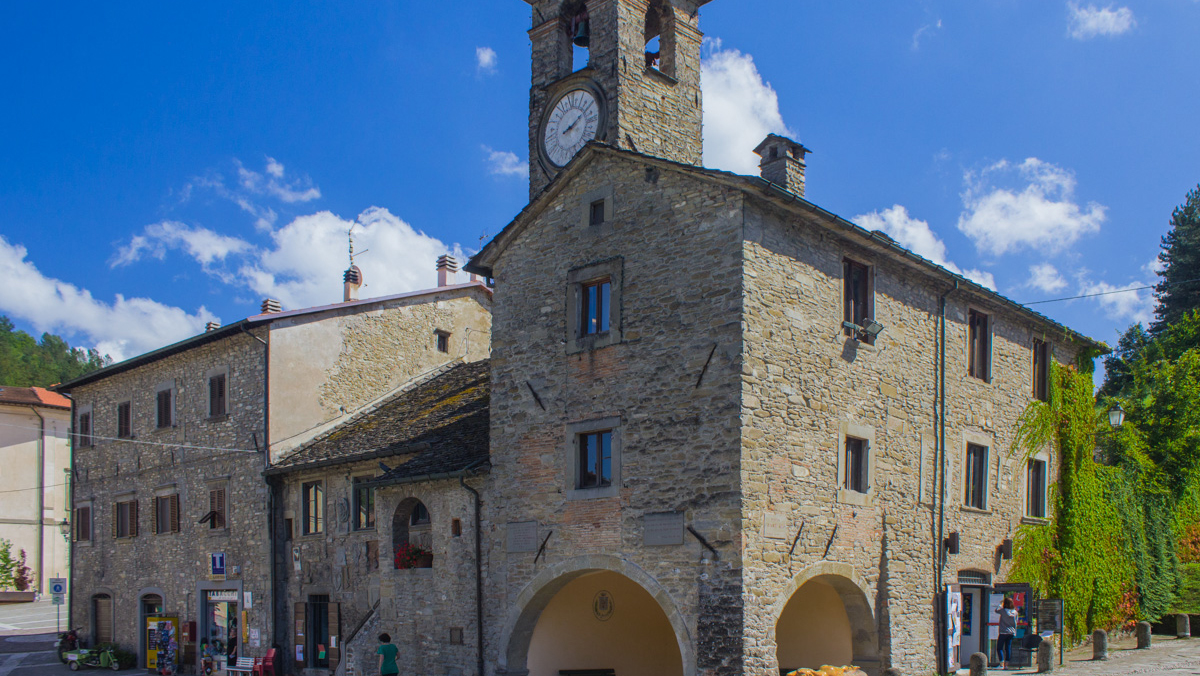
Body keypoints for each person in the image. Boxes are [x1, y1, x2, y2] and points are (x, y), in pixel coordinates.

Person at [997, 597, 1018, 669]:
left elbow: (996, 610)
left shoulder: (1003, 611)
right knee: (1008, 648)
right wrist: (1015, 631)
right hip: (1011, 632)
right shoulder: (1015, 612)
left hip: (1003, 632)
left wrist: (1000, 603)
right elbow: (1016, 622)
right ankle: (1006, 664)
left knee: (999, 648)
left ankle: (1001, 664)